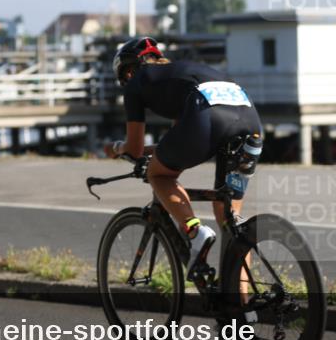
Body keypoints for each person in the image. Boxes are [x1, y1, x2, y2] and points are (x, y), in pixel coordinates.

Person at [106, 36, 262, 279]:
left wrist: (116, 148)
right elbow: (179, 139)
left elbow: (134, 149)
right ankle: (240, 305)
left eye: (124, 76)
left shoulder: (137, 82)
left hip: (205, 115)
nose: (126, 80)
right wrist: (153, 150)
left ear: (129, 71)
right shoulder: (182, 75)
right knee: (229, 217)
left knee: (158, 174)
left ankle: (194, 232)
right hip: (250, 120)